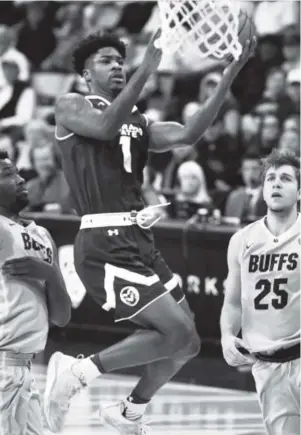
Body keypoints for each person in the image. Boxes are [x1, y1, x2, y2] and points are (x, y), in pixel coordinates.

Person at [43, 30, 256, 434]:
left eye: (121, 60)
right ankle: (77, 371)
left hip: (140, 241)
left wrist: (230, 73)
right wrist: (150, 65)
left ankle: (130, 411)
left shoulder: (139, 122)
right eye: (107, 61)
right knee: (174, 331)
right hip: (103, 241)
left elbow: (189, 133)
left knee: (188, 342)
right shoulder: (72, 105)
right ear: (87, 73)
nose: (118, 66)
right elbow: (106, 127)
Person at [220, 150, 300, 435]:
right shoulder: (242, 240)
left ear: (299, 191)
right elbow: (232, 301)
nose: (276, 184)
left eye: (286, 179)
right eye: (271, 179)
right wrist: (227, 335)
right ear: (263, 190)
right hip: (268, 364)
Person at [0, 150, 71, 434]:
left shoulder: (42, 235)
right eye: (6, 175)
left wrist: (51, 274)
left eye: (17, 172)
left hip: (25, 370)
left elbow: (62, 317)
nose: (19, 179)